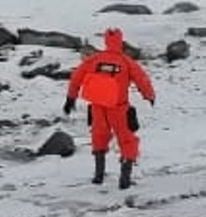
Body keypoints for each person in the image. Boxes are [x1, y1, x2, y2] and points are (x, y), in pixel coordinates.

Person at [64, 27, 155, 189]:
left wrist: (71, 98)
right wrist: (149, 96)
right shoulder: (127, 61)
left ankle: (98, 176)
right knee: (126, 140)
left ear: (105, 41)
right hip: (119, 109)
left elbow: (76, 77)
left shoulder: (93, 60)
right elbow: (142, 79)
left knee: (98, 137)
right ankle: (125, 179)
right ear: (120, 41)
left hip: (97, 107)